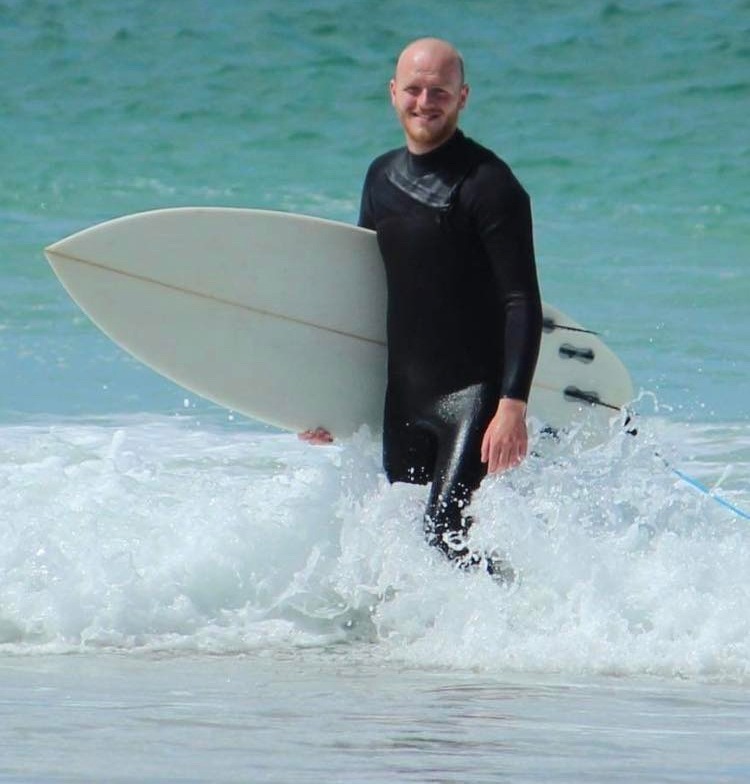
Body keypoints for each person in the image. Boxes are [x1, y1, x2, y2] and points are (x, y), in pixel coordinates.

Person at [302, 38, 542, 576]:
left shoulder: (491, 185)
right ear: (393, 94)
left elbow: (521, 300)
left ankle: (521, 625)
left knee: (443, 534)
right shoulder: (380, 178)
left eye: (439, 91)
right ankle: (426, 656)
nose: (424, 101)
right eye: (413, 89)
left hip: (473, 397)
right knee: (405, 542)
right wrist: (328, 402)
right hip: (405, 399)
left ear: (462, 97)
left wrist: (512, 407)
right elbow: (361, 301)